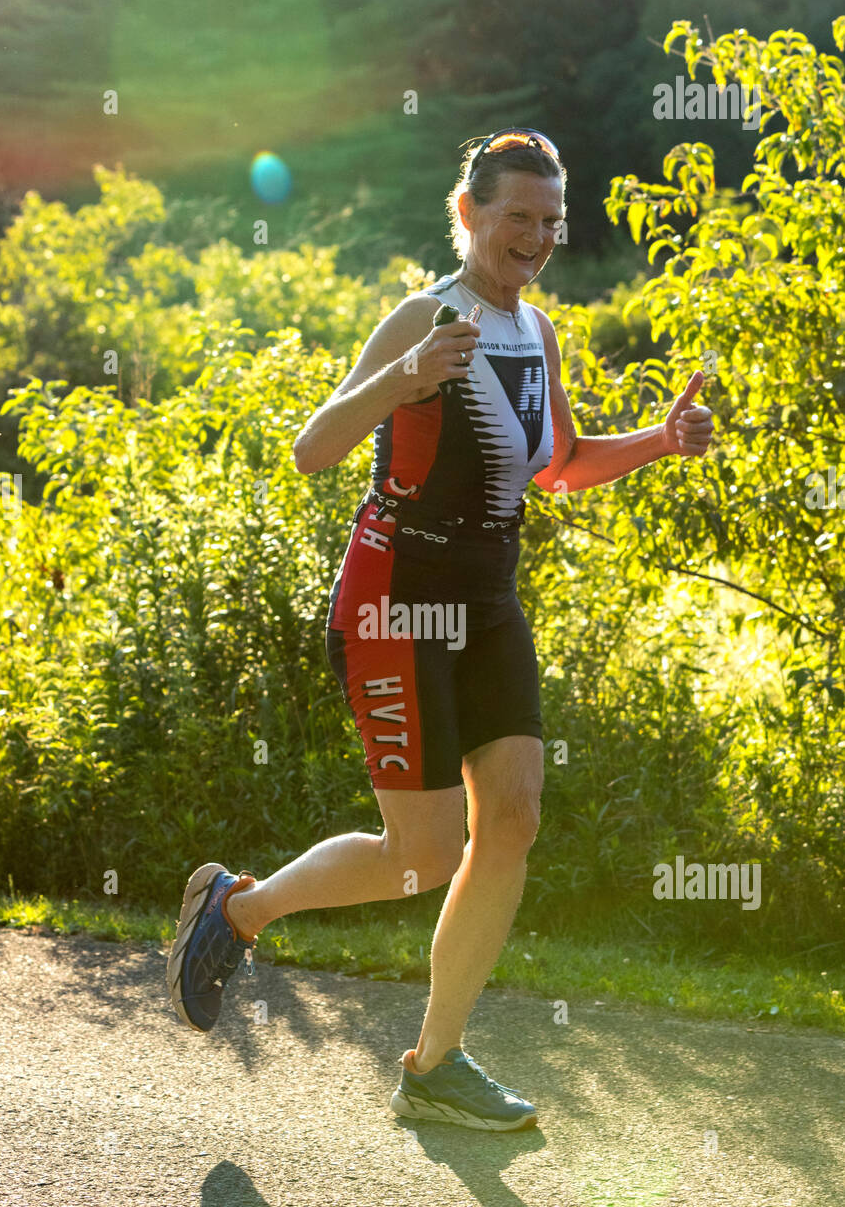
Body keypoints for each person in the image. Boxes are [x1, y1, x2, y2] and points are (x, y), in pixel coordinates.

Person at [166, 128, 714, 1131]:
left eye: (551, 221)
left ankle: (435, 1065)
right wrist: (404, 373)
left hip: (489, 594)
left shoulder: (536, 331)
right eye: (517, 218)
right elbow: (312, 447)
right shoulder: (424, 316)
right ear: (467, 214)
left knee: (511, 819)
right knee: (419, 853)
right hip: (394, 594)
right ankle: (235, 910)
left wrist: (660, 442)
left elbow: (557, 464)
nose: (537, 238)